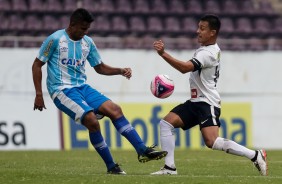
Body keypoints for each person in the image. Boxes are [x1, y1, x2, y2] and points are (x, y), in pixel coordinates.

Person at [32, 8, 167, 175]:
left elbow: (99, 67)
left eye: (87, 28)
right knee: (92, 121)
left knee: (115, 110)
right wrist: (38, 94)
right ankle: (112, 166)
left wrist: (119, 70)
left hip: (83, 88)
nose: (85, 32)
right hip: (61, 90)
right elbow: (37, 64)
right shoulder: (54, 40)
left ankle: (142, 149)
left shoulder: (87, 42)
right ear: (72, 24)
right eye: (82, 28)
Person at [151, 14, 268, 176]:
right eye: (198, 27)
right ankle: (169, 168)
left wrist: (164, 54)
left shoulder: (209, 53)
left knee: (212, 142)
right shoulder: (206, 50)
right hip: (195, 101)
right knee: (166, 123)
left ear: (212, 32)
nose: (198, 31)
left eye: (202, 28)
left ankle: (255, 155)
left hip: (207, 102)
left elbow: (185, 68)